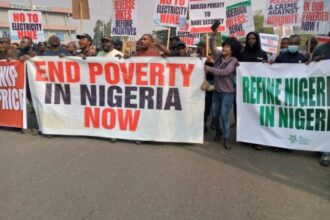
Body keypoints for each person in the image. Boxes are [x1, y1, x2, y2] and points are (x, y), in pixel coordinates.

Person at [205, 30, 241, 150]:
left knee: (224, 116)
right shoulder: (218, 56)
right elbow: (212, 46)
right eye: (224, 46)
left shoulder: (233, 60)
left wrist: (210, 69)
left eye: (227, 47)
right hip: (216, 92)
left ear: (232, 50)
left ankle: (226, 139)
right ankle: (218, 132)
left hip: (228, 94)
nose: (224, 48)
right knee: (215, 115)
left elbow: (226, 72)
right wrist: (214, 35)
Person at [312, 40, 330, 167]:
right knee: (326, 120)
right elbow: (310, 69)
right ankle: (325, 151)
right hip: (324, 91)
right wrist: (314, 61)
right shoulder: (321, 49)